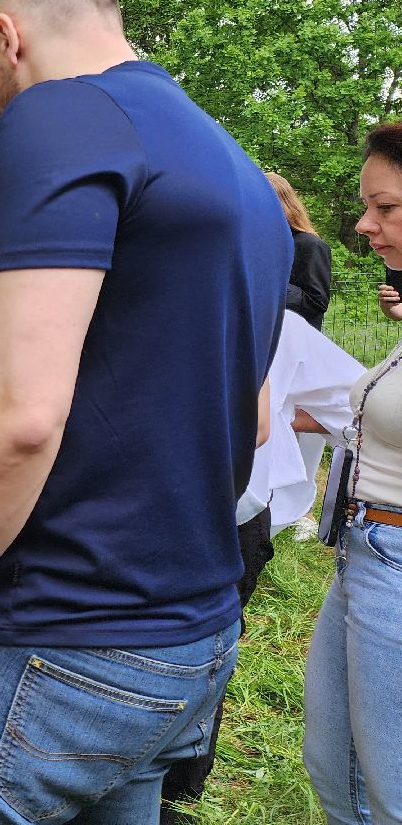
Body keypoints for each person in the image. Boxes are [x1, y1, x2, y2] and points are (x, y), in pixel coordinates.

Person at [0, 0, 291, 825]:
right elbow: (251, 419)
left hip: (53, 639)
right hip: (190, 637)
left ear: (6, 36)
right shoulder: (233, 167)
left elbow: (18, 415)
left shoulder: (59, 116)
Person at [162, 310, 360, 818]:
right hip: (143, 505)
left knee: (203, 652)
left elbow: (354, 402)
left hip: (231, 514)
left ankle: (175, 789)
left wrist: (283, 413)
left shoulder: (272, 317)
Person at [304, 121, 402, 824]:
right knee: (339, 770)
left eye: (387, 208)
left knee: (390, 787)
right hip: (361, 553)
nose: (366, 224)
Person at [267, 171, 332, 330]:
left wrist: (268, 285)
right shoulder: (259, 245)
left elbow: (316, 302)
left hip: (296, 341)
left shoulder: (310, 245)